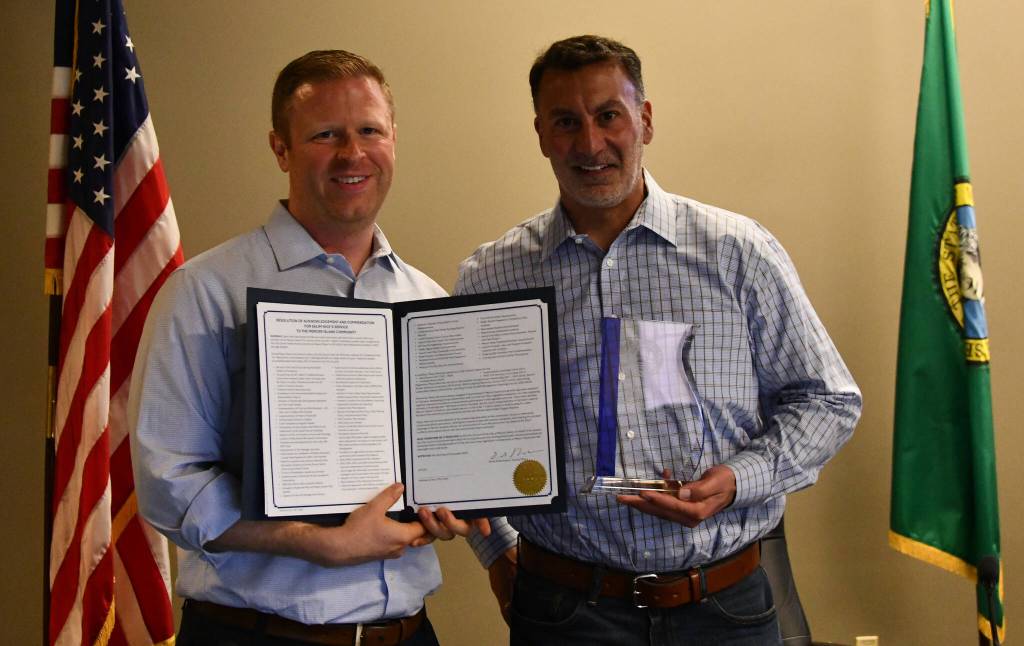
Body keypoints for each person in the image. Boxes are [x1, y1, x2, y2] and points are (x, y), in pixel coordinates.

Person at [456, 35, 862, 645]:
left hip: (725, 608)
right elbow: (469, 438)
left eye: (608, 116)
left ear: (644, 119)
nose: (590, 144)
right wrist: (498, 552)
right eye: (566, 122)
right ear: (540, 134)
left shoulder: (737, 252)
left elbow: (828, 400)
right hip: (565, 612)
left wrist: (737, 479)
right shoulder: (492, 277)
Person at [129, 49, 478, 646]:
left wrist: (455, 493)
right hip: (258, 634)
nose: (352, 153)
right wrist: (318, 543)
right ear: (280, 149)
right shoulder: (207, 292)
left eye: (370, 130)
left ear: (394, 138)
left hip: (409, 633)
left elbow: (442, 463)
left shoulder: (428, 301)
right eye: (326, 134)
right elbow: (169, 481)